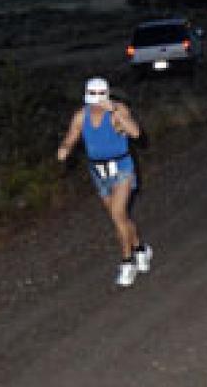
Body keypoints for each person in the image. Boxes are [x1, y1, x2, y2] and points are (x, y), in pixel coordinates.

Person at [57, 77, 152, 287]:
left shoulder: (118, 111)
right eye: (92, 97)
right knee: (121, 218)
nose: (96, 103)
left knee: (118, 215)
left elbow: (136, 133)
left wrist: (115, 112)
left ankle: (127, 263)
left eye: (99, 97)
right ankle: (140, 249)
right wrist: (65, 147)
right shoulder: (82, 116)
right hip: (99, 172)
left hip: (121, 168)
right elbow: (71, 135)